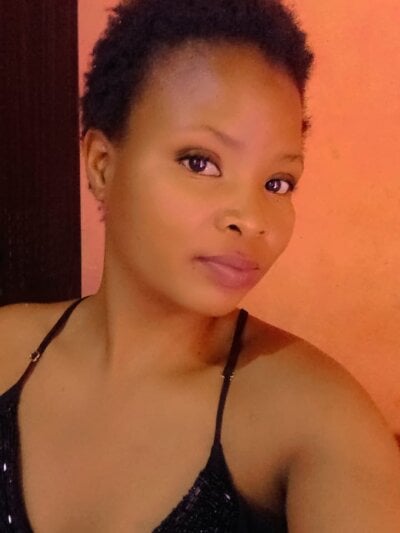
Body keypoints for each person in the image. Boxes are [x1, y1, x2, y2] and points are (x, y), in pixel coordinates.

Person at [1, 0, 400, 531]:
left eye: (277, 182)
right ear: (102, 166)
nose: (252, 219)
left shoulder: (318, 419)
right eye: (201, 162)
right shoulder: (6, 351)